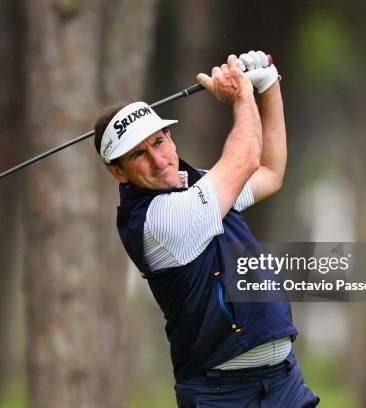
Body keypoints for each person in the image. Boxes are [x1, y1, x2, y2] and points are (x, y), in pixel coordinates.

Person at [94, 51, 319, 407]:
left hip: (283, 382)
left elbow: (270, 173)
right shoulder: (157, 221)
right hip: (222, 395)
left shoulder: (199, 184)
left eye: (158, 141)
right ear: (117, 172)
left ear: (170, 137)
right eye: (138, 154)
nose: (156, 158)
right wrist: (243, 94)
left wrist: (269, 84)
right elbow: (244, 159)